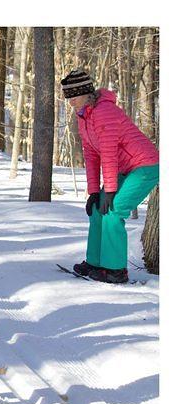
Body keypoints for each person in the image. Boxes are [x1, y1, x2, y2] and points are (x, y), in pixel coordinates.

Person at [62, 70, 160, 284]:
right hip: (124, 168)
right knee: (98, 209)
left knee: (114, 210)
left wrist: (111, 191)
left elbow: (108, 151)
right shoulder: (83, 117)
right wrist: (94, 192)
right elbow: (90, 154)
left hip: (146, 166)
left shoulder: (104, 111)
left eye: (73, 96)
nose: (70, 102)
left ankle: (115, 270)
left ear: (87, 93)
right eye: (67, 97)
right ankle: (95, 262)